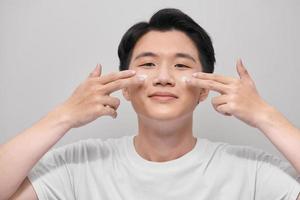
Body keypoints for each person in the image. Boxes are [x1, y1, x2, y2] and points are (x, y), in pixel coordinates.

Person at [0, 8, 300, 200]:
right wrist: (62, 116)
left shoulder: (251, 171)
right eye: (148, 63)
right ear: (126, 87)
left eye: (182, 66)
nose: (164, 77)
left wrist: (265, 116)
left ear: (204, 89)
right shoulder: (78, 165)